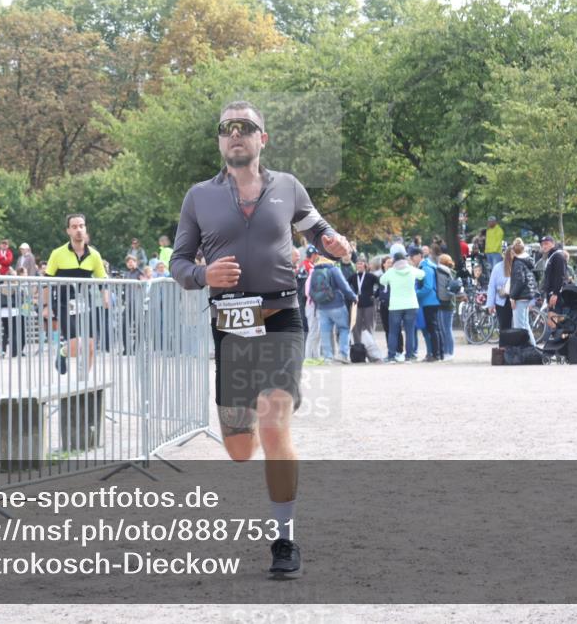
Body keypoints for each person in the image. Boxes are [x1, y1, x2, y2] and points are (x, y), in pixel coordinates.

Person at [169, 100, 352, 578]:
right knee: (239, 449)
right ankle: (247, 414)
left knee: (274, 423)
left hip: (281, 316)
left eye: (245, 127)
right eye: (227, 128)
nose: (236, 134)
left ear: (261, 139)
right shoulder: (199, 197)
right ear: (219, 140)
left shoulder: (288, 187)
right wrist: (204, 274)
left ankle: (285, 540)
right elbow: (178, 263)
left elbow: (319, 230)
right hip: (231, 325)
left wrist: (336, 244)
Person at [43, 214, 110, 375]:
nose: (78, 230)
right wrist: (46, 306)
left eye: (81, 226)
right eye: (74, 227)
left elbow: (103, 280)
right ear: (68, 231)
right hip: (64, 303)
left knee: (91, 346)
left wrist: (106, 297)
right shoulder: (57, 253)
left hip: (86, 303)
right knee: (76, 346)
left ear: (85, 228)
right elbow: (46, 282)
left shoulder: (94, 255)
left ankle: (83, 380)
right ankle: (63, 352)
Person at [378, 251, 423, 363]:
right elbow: (422, 275)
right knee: (410, 332)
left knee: (393, 332)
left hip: (395, 306)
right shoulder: (412, 270)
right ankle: (409, 356)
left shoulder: (391, 271)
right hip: (411, 304)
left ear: (394, 261)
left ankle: (391, 356)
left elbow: (382, 280)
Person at [413, 246, 443, 362]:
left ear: (419, 256)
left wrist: (415, 294)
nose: (411, 259)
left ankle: (436, 354)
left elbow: (428, 287)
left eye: (413, 256)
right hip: (431, 301)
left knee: (433, 329)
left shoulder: (426, 268)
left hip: (429, 302)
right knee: (434, 329)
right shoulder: (427, 266)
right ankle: (438, 353)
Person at [507, 238, 539, 347]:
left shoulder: (517, 263)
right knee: (525, 325)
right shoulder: (527, 261)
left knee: (519, 327)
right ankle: (533, 348)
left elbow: (519, 281)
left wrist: (512, 297)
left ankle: (524, 350)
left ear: (513, 251)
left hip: (520, 297)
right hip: (527, 296)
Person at [349, 257, 380, 346]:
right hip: (356, 305)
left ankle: (370, 346)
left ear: (365, 265)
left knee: (369, 326)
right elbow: (345, 286)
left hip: (369, 304)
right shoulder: (353, 277)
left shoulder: (371, 276)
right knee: (356, 327)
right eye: (357, 264)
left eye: (361, 263)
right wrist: (351, 296)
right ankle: (357, 346)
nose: (359, 265)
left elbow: (381, 285)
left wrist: (375, 295)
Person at [436, 254, 458, 359]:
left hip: (443, 303)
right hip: (451, 303)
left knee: (445, 329)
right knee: (448, 329)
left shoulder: (439, 272)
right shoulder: (451, 272)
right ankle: (450, 351)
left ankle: (448, 352)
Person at [485, 251, 513, 331]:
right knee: (504, 326)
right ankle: (504, 339)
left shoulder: (517, 266)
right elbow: (492, 286)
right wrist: (490, 304)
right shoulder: (497, 268)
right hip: (501, 300)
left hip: (515, 299)